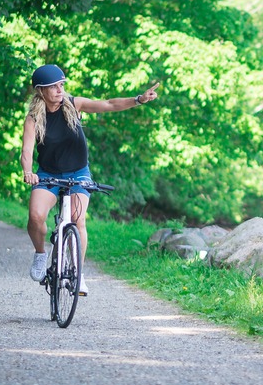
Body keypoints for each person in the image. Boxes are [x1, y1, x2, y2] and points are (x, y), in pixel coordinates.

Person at [21, 64, 159, 290]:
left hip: (78, 173)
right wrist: (29, 172)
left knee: (78, 220)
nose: (60, 90)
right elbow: (26, 151)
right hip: (48, 174)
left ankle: (78, 272)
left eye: (61, 85)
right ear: (41, 91)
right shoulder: (34, 118)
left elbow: (109, 104)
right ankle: (40, 254)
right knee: (36, 216)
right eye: (53, 87)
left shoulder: (74, 104)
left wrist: (138, 100)